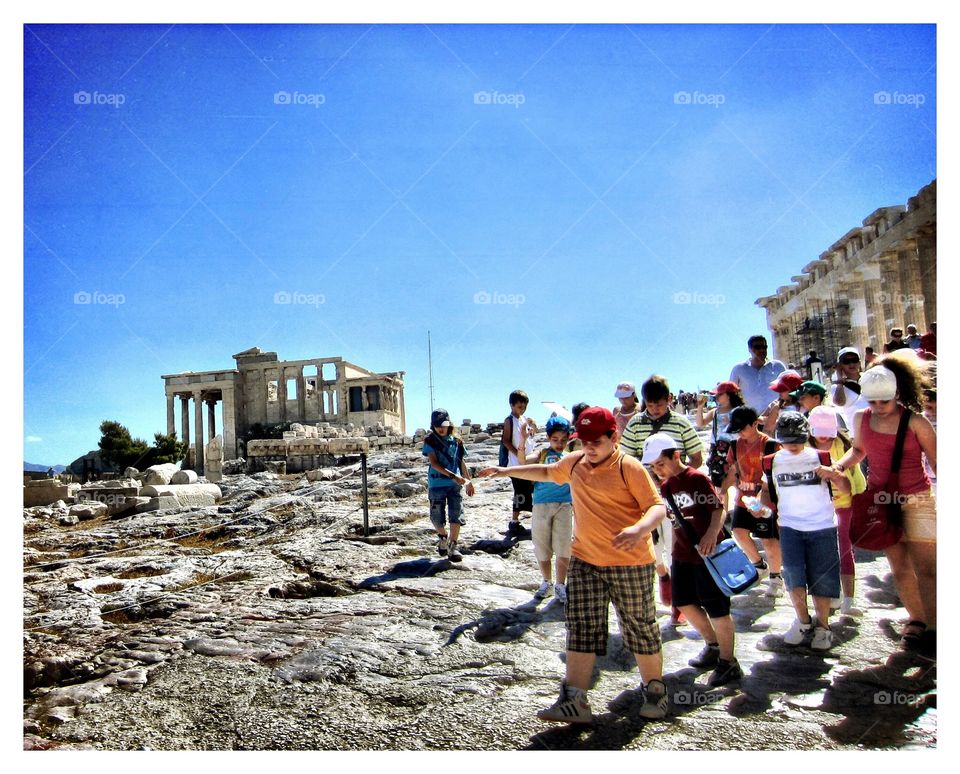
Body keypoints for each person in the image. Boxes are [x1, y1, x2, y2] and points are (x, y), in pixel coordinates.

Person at [478, 407, 670, 723]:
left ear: (614, 437)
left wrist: (638, 529)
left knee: (639, 627)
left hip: (631, 562)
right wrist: (504, 471)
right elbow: (546, 472)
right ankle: (575, 701)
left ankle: (654, 691)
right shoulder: (575, 462)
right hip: (585, 561)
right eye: (584, 441)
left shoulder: (629, 467)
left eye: (597, 441)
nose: (589, 447)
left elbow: (656, 507)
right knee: (580, 628)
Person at [832, 354, 937, 654]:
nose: (878, 407)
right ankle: (917, 620)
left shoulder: (916, 422)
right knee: (899, 567)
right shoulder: (861, 419)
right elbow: (858, 451)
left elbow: (937, 461)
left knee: (927, 569)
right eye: (872, 402)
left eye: (884, 401)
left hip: (917, 500)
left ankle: (935, 627)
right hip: (881, 502)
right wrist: (839, 466)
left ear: (897, 394)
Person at [643, 433, 741, 687]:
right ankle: (712, 645)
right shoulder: (666, 486)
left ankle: (728, 662)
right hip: (683, 553)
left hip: (708, 553)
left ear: (676, 455)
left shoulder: (696, 478)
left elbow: (718, 509)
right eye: (653, 466)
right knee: (684, 602)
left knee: (717, 608)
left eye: (661, 464)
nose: (658, 470)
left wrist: (711, 534)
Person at [760, 413, 849, 651]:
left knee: (823, 577)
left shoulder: (820, 457)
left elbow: (846, 487)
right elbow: (767, 491)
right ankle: (802, 620)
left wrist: (835, 474)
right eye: (788, 441)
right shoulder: (771, 461)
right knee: (793, 576)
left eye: (798, 440)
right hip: (790, 527)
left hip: (822, 525)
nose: (793, 445)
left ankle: (823, 627)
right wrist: (760, 506)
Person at [621, 375, 705, 624]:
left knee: (676, 544)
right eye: (650, 405)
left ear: (669, 400)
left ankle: (679, 603)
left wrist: (680, 478)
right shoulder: (635, 424)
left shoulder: (680, 423)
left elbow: (696, 456)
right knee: (653, 547)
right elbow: (626, 458)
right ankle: (663, 576)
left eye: (659, 404)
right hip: (645, 495)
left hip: (677, 497)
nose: (655, 409)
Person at [808, 406, 867, 617]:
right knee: (823, 552)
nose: (824, 437)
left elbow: (856, 476)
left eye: (828, 432)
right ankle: (831, 594)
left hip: (844, 503)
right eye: (819, 432)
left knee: (845, 549)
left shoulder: (844, 445)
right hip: (817, 507)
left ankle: (849, 599)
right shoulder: (804, 447)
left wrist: (859, 497)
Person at [719, 406, 783, 593]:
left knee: (769, 540)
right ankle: (759, 566)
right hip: (742, 500)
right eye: (736, 430)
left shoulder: (770, 445)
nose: (740, 433)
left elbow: (774, 477)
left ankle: (776, 577)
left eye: (743, 428)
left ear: (755, 424)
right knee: (739, 532)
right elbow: (732, 472)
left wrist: (760, 501)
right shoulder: (735, 446)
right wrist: (721, 491)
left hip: (766, 502)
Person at [520, 416, 574, 603]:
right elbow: (523, 462)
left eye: (563, 440)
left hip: (564, 505)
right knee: (542, 545)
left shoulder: (570, 457)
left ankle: (560, 584)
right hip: (541, 505)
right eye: (555, 439)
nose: (559, 444)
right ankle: (546, 582)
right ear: (549, 438)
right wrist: (523, 440)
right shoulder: (541, 453)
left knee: (563, 546)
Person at [422, 409, 475, 561]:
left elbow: (461, 462)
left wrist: (468, 482)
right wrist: (453, 476)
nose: (440, 428)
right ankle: (443, 536)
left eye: (443, 425)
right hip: (437, 483)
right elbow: (434, 463)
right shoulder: (430, 441)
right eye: (437, 425)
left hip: (454, 485)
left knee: (456, 515)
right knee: (436, 517)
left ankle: (453, 547)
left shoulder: (457, 441)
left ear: (449, 424)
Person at [501, 389, 537, 536]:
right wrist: (517, 454)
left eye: (524, 406)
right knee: (520, 491)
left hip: (527, 460)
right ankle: (514, 521)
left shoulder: (524, 419)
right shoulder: (509, 420)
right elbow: (506, 441)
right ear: (512, 405)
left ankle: (528, 520)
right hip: (515, 463)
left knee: (529, 489)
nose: (522, 409)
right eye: (520, 406)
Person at [696, 381, 744, 488]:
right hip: (718, 450)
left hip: (736, 449)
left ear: (729, 395)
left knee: (738, 480)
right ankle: (723, 499)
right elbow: (700, 423)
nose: (716, 396)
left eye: (720, 394)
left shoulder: (740, 411)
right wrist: (700, 407)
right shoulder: (715, 412)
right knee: (719, 483)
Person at [729, 335, 787, 413]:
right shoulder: (738, 369)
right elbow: (731, 394)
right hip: (750, 417)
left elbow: (787, 389)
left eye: (764, 347)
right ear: (749, 349)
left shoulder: (778, 366)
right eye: (757, 347)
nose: (761, 350)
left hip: (776, 415)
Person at [832, 347, 870, 432]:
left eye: (854, 360)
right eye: (846, 361)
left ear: (859, 362)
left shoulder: (869, 378)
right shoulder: (837, 386)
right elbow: (839, 402)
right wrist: (840, 380)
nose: (851, 364)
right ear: (840, 365)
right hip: (856, 432)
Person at [761, 369, 804, 436]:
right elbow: (767, 429)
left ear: (793, 390)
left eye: (782, 389)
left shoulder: (803, 406)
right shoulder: (777, 406)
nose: (779, 391)